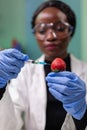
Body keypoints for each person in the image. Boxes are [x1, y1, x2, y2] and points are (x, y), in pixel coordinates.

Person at [0, 0, 87, 130]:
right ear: (35, 35)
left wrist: (83, 113)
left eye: (60, 28)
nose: (51, 37)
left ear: (71, 31)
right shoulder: (23, 73)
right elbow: (8, 125)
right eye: (41, 30)